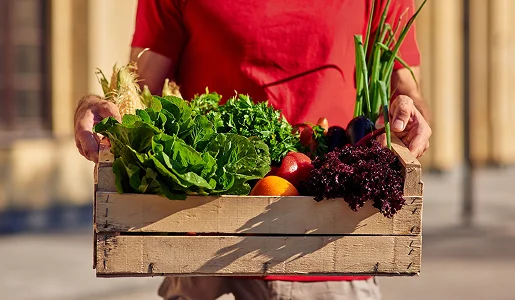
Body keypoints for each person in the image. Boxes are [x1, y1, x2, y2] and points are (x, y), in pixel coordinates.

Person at [74, 0, 432, 299]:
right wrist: (97, 107)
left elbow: (407, 90)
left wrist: (411, 113)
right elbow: (139, 89)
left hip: (328, 252)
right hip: (203, 250)